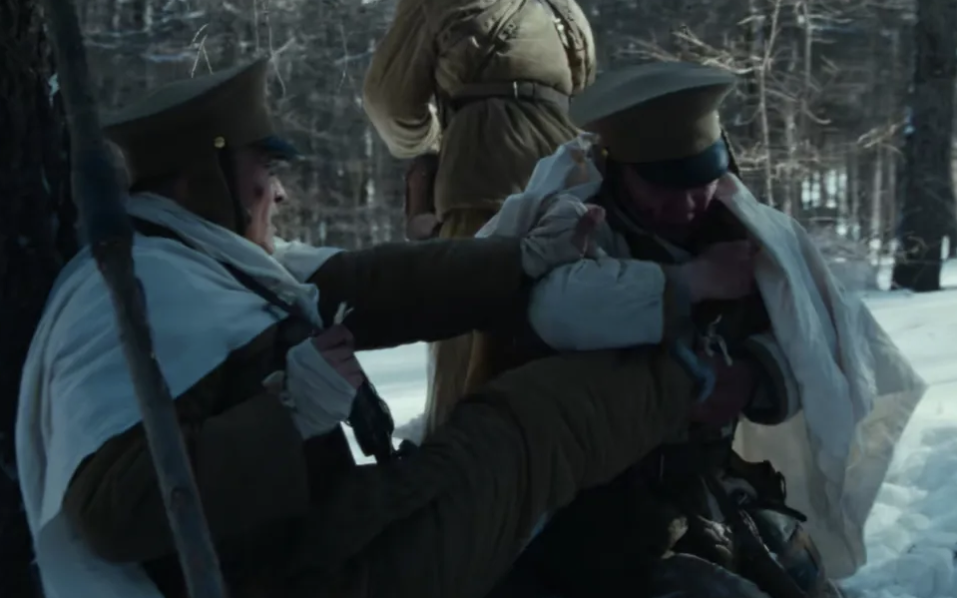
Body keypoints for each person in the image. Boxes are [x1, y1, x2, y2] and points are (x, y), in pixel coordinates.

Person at [15, 57, 721, 598]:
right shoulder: (136, 297)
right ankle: (714, 381)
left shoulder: (199, 263)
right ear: (201, 178)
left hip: (331, 536)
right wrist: (287, 414)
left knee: (508, 421)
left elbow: (368, 285)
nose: (279, 190)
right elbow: (114, 511)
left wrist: (521, 259)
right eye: (263, 166)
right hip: (317, 576)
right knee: (532, 420)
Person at [474, 61, 926, 598]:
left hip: (701, 479)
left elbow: (816, 338)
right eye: (664, 187)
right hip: (582, 499)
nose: (687, 205)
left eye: (700, 184)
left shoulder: (747, 231)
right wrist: (691, 281)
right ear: (620, 173)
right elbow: (557, 310)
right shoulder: (574, 220)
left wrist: (753, 377)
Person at [363, 0, 597, 436]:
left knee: (471, 352)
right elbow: (585, 88)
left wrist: (436, 141)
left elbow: (390, 104)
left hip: (481, 178)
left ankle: (466, 458)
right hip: (569, 180)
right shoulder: (563, 7)